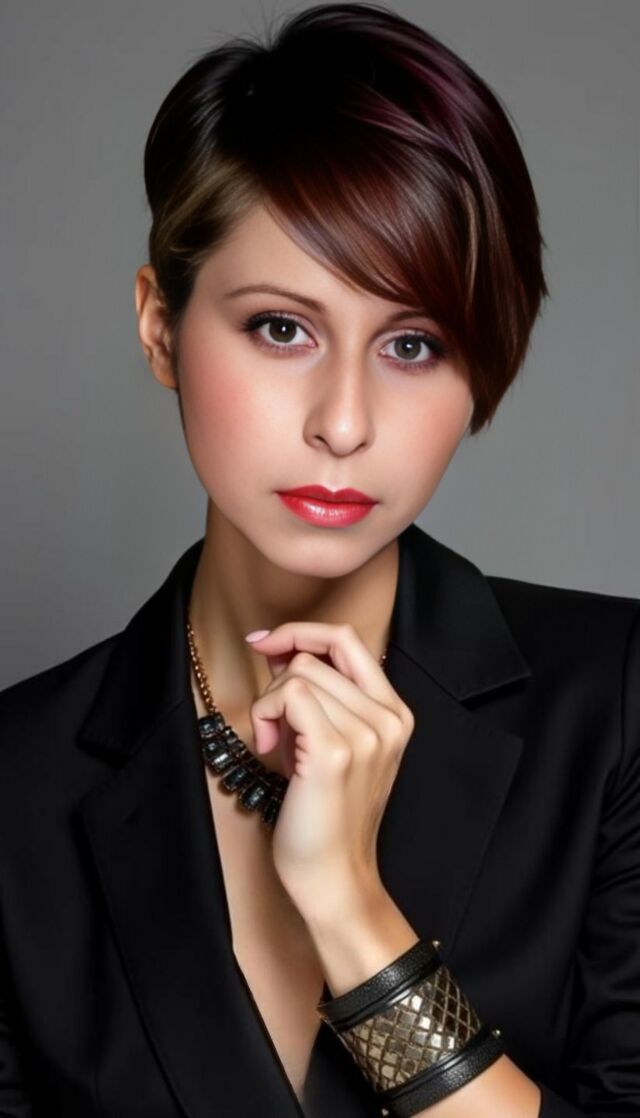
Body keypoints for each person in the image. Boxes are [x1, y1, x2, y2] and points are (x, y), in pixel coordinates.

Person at [0, 3, 638, 1115]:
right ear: (160, 326)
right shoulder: (17, 784)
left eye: (413, 344)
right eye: (281, 328)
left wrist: (351, 910)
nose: (343, 421)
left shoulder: (614, 706)